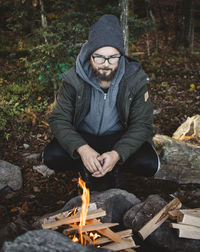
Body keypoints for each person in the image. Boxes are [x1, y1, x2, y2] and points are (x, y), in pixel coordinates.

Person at [43, 14, 160, 190]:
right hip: (83, 136)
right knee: (51, 156)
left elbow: (142, 124)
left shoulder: (135, 80)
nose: (106, 64)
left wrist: (117, 154)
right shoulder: (73, 79)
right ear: (90, 55)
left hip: (118, 137)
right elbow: (58, 119)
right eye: (99, 57)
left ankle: (114, 167)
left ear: (121, 55)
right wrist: (82, 149)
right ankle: (87, 167)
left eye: (113, 57)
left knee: (149, 163)